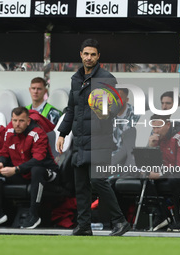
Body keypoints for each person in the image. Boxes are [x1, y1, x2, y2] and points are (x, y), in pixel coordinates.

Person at [56, 38, 130, 236]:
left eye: (93, 54)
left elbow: (115, 106)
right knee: (81, 186)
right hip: (79, 140)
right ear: (81, 55)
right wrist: (62, 133)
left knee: (98, 181)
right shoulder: (75, 79)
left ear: (98, 57)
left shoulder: (106, 78)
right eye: (86, 54)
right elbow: (71, 109)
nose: (89, 57)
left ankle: (120, 221)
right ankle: (84, 227)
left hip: (99, 139)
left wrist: (105, 110)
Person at [0, 107, 59, 229]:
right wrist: (1, 163)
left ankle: (34, 215)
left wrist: (15, 169)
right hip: (23, 173)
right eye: (14, 120)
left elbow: (38, 160)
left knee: (37, 170)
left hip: (47, 174)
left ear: (28, 121)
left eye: (21, 121)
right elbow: (4, 153)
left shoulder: (38, 133)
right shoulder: (9, 133)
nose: (17, 124)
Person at [112, 88, 140, 153]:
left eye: (120, 98)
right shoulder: (108, 113)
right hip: (111, 154)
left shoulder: (136, 114)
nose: (116, 101)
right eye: (114, 98)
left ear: (127, 100)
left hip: (129, 153)